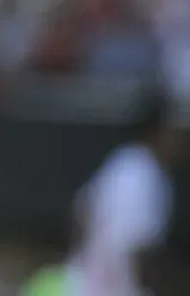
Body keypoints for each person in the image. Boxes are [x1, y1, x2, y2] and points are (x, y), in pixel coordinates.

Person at [66, 92, 179, 296]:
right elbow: (139, 246)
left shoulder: (121, 161)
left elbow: (81, 212)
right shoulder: (146, 174)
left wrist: (83, 260)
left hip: (82, 283)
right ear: (158, 130)